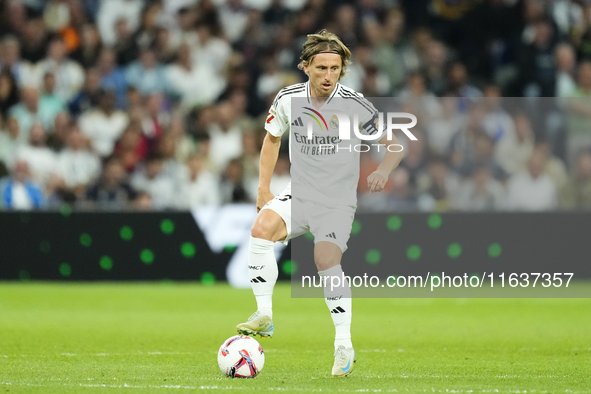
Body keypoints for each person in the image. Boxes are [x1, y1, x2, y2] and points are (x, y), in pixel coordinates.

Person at [235, 30, 404, 377]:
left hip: (336, 203)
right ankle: (264, 315)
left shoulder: (354, 105)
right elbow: (271, 139)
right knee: (261, 227)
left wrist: (384, 170)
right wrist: (263, 189)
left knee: (324, 259)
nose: (329, 75)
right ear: (306, 67)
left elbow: (396, 145)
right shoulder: (288, 99)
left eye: (335, 68)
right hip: (301, 195)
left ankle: (343, 343)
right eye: (322, 67)